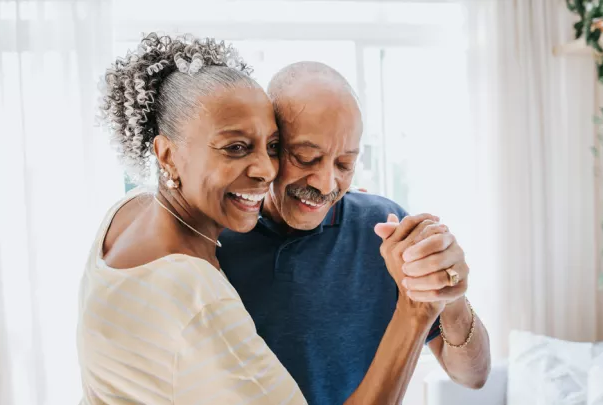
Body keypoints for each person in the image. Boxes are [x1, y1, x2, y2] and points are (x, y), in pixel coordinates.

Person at [77, 34, 457, 405]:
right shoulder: (199, 296)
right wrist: (415, 311)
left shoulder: (125, 213)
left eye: (272, 147)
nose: (264, 169)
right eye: (236, 147)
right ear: (167, 155)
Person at [218, 62, 492, 405]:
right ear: (269, 144)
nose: (326, 183)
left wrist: (450, 294)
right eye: (306, 158)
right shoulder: (215, 242)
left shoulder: (385, 228)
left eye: (344, 164)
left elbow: (474, 377)